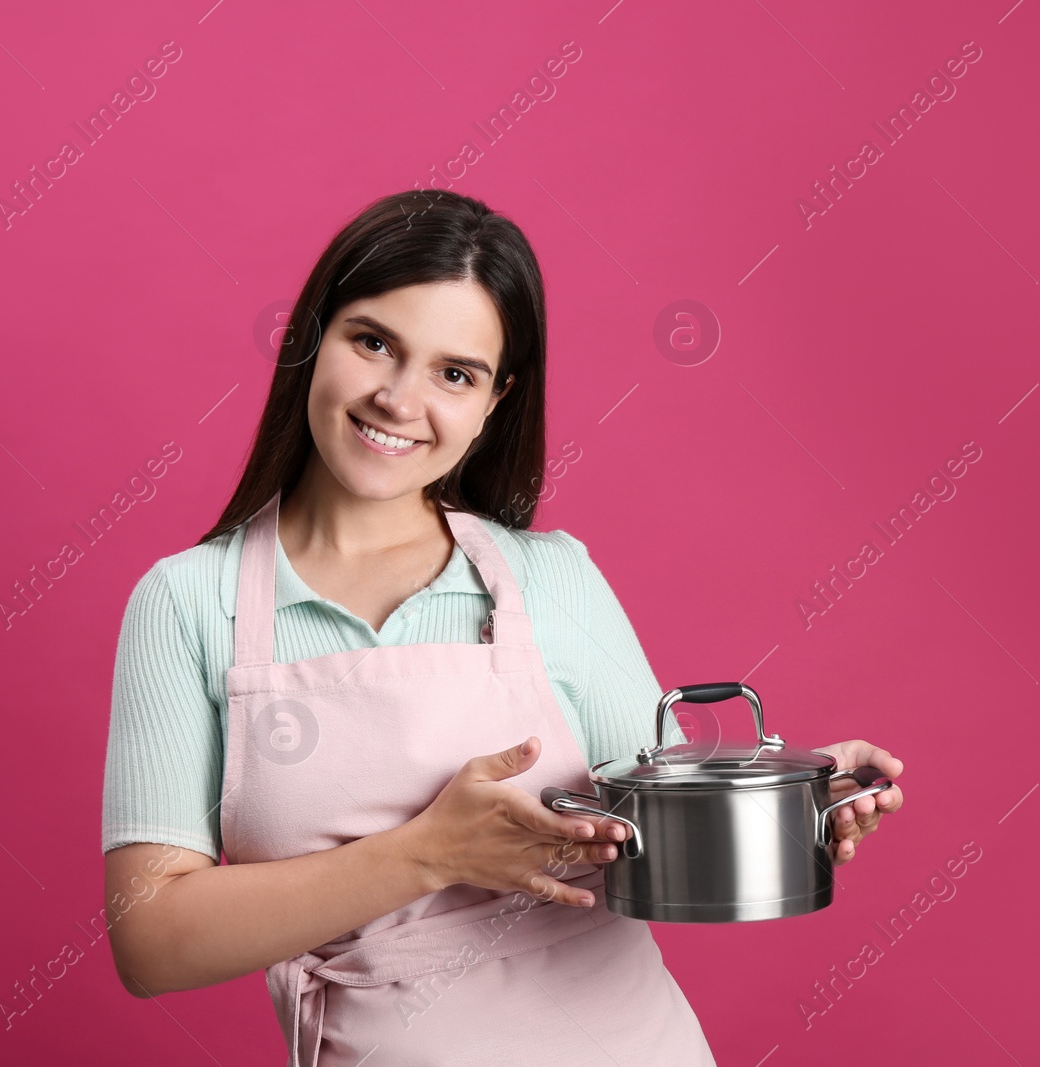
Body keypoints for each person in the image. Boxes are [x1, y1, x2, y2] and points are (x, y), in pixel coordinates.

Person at [99, 188, 905, 1065]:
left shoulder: (552, 577)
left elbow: (659, 827)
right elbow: (151, 943)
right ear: (311, 338)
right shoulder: (187, 603)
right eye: (373, 342)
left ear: (495, 399)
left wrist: (791, 806)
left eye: (456, 372)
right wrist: (424, 854)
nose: (400, 400)